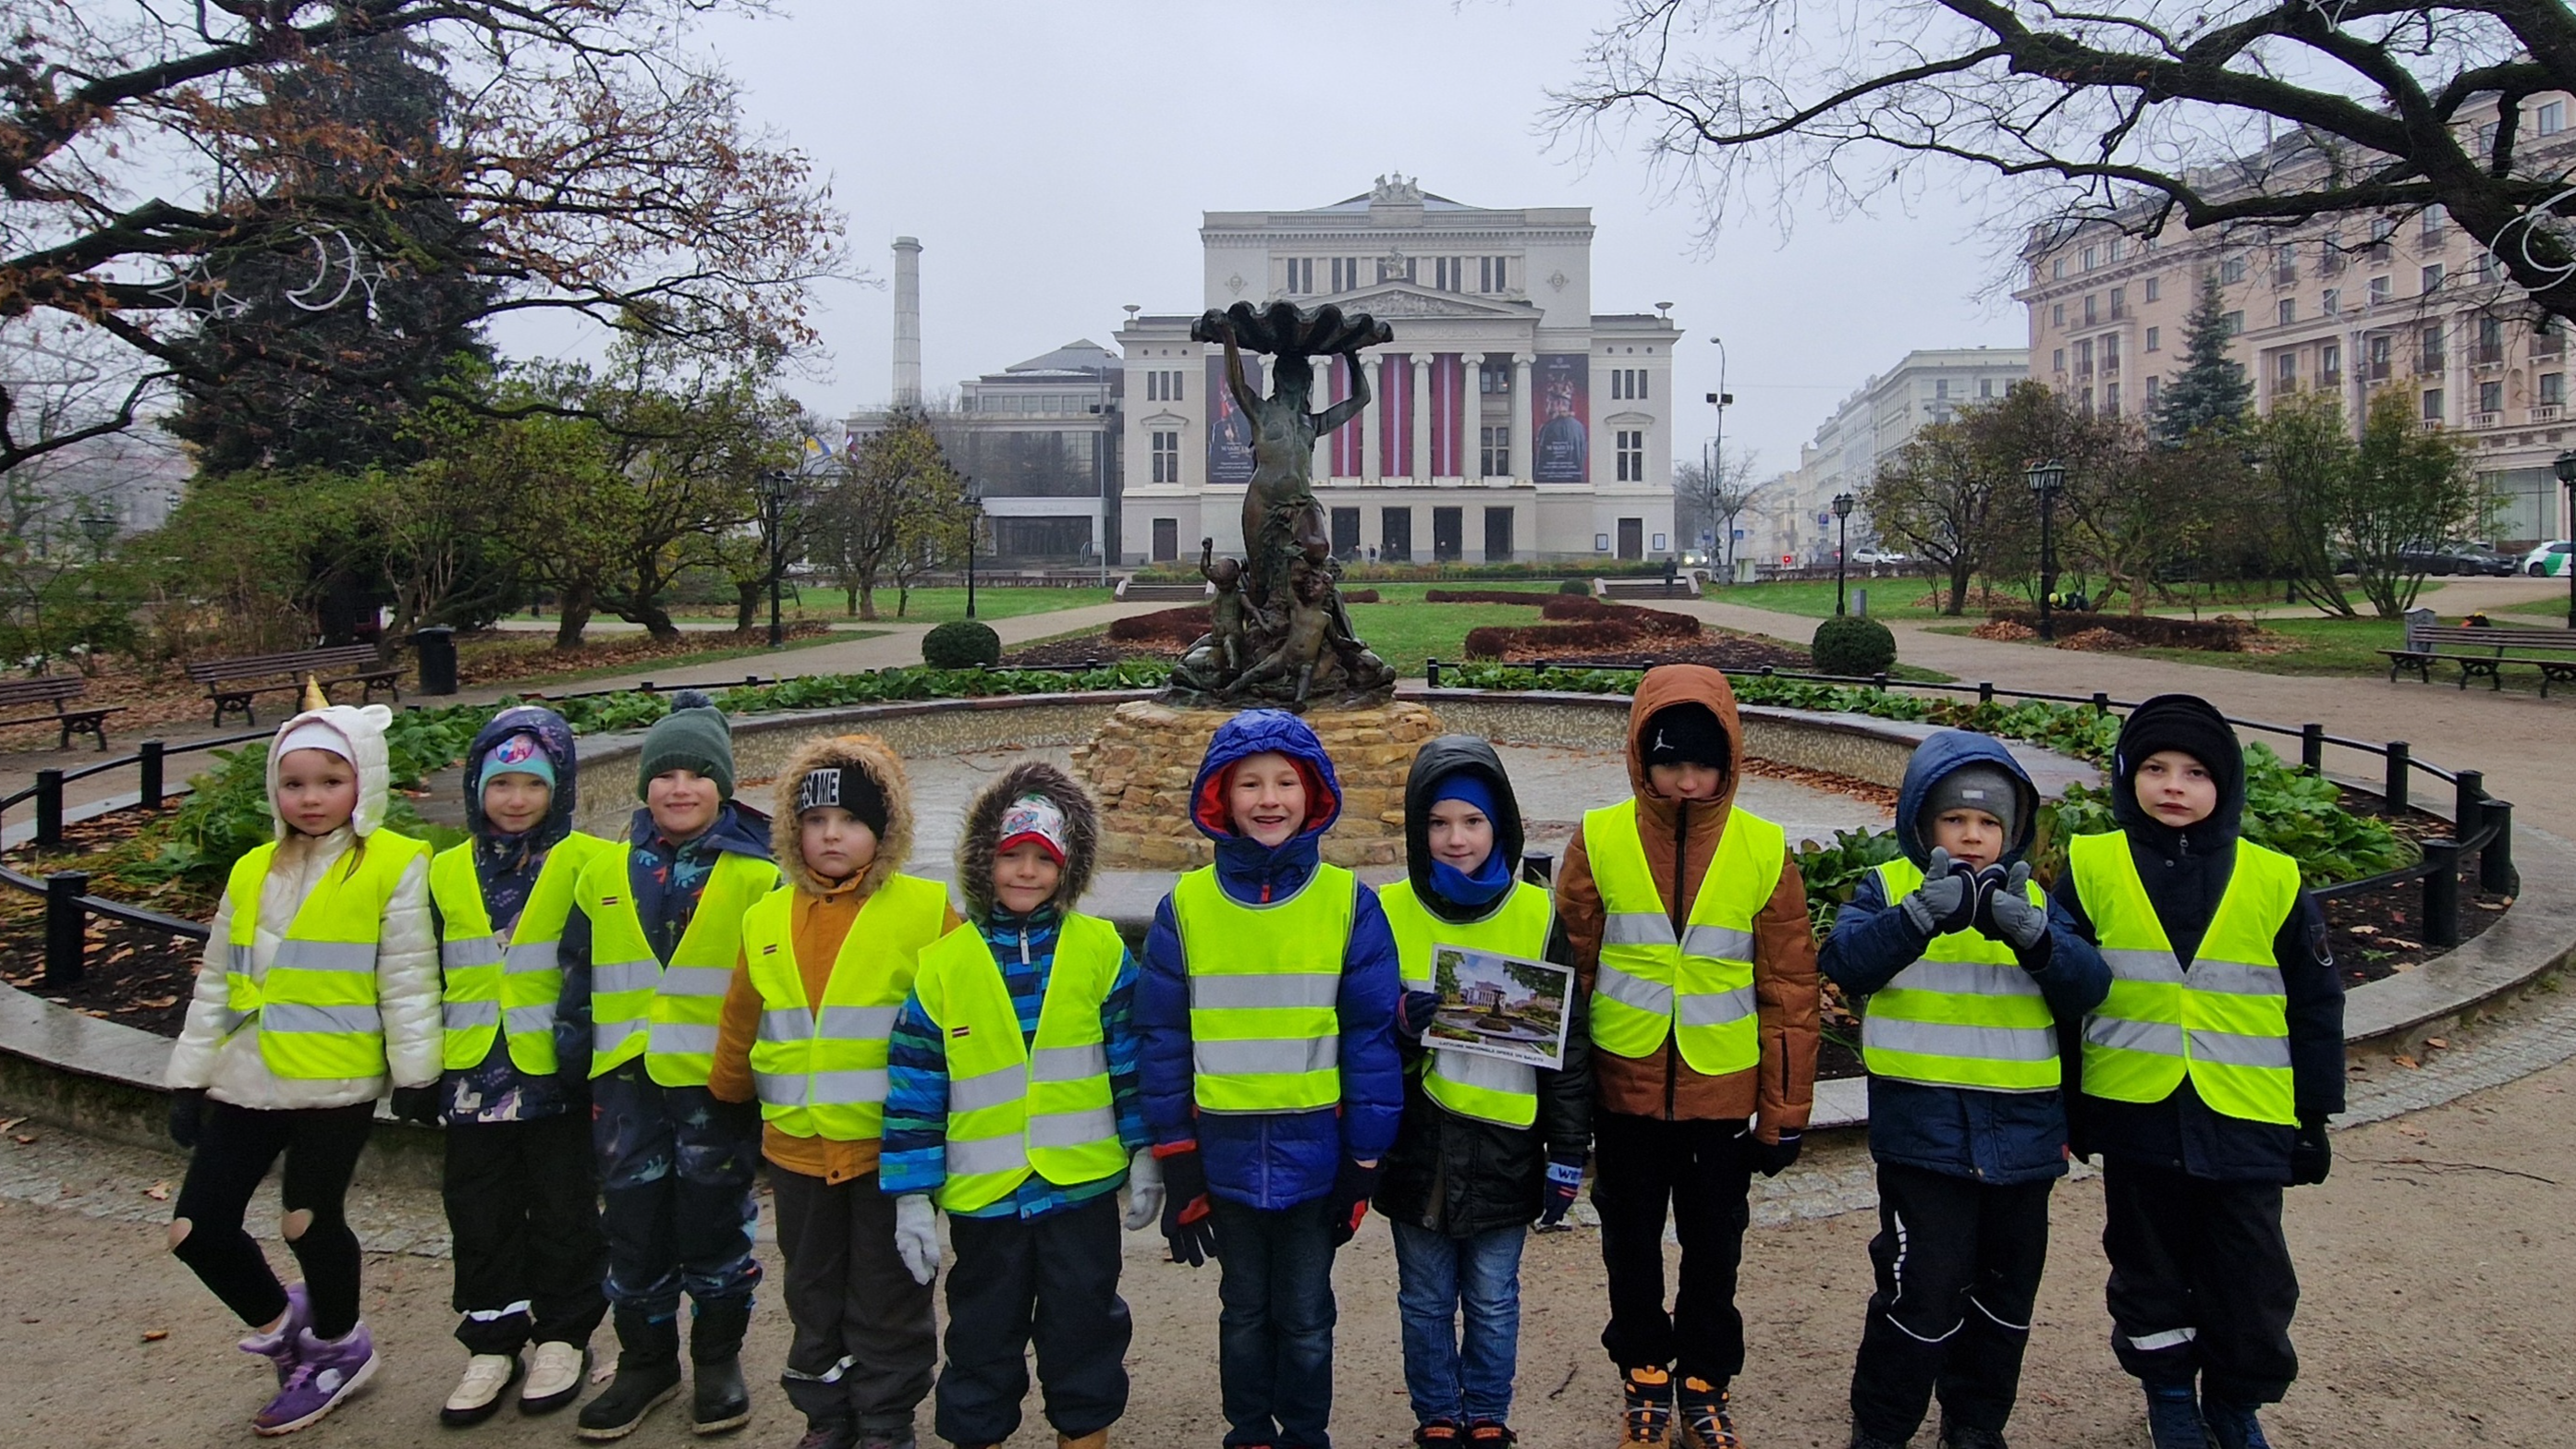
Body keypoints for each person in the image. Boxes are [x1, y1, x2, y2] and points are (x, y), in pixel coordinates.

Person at [2054, 696, 2343, 1449]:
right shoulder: (2092, 865)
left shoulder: (2273, 877)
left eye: (2193, 772)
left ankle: (2235, 1401)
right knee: (2147, 1267)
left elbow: (2314, 1003)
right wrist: (2067, 1110)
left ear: (2225, 786)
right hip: (2135, 1111)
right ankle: (2169, 1394)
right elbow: (2060, 1001)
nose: (2172, 786)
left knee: (2251, 1276)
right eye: (2153, 768)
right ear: (2126, 777)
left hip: (2244, 1114)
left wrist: (2313, 1117)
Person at [1818, 731, 2110, 1449]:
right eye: (1955, 820)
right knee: (1919, 1289)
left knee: (2006, 1297)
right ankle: (1882, 1425)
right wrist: (1917, 918)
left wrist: (2037, 938)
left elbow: (2088, 988)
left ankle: (1975, 1423)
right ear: (1922, 823)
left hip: (2023, 1136)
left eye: (1988, 823)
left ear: (2011, 830)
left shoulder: (2036, 898)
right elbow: (1846, 962)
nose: (1973, 836)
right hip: (1923, 1136)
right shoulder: (1887, 887)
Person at [1555, 664, 1821, 1449]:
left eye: (1701, 764)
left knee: (1715, 1251)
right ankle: (1642, 1372)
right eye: (1669, 762)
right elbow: (1571, 967)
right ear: (1642, 759)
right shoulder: (1597, 835)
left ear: (1727, 762)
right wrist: (1562, 1101)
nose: (1684, 779)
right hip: (1623, 1089)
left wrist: (1784, 1111)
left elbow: (1788, 988)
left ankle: (1705, 1379)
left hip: (1718, 1095)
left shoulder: (1763, 847)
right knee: (1628, 1246)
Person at [164, 698, 439, 1435]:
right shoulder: (255, 867)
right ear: (274, 790)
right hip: (248, 1076)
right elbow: (218, 980)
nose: (311, 798)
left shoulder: (394, 865)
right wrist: (187, 1078)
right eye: (295, 783)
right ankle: (289, 1332)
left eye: (329, 781)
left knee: (307, 1220)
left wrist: (418, 1073)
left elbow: (407, 977)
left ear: (363, 783)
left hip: (335, 1077)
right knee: (196, 1229)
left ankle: (341, 1347)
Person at [1136, 709, 1404, 1449]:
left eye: (1286, 782)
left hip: (1316, 1156)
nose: (1268, 799)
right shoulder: (1184, 907)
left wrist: (1365, 1160)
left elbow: (1370, 1040)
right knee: (1244, 1311)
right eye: (1248, 783)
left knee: (1309, 1313)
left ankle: (1306, 1433)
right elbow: (1162, 1039)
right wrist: (1175, 1158)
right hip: (1220, 1157)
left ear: (1313, 794)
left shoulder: (1349, 903)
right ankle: (1249, 1431)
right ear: (1219, 797)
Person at [882, 762, 1157, 1449]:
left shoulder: (1100, 950)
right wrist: (912, 1193)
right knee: (980, 1341)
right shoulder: (945, 963)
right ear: (986, 864)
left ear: (1068, 868)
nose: (1027, 872)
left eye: (1044, 859)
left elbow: (1128, 1060)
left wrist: (1145, 1150)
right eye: (1012, 858)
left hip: (1078, 1189)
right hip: (986, 1199)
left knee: (1085, 1333)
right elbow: (917, 1083)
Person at [704, 733, 956, 1449]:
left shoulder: (925, 911)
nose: (832, 835)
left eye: (849, 820)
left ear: (884, 829)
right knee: (811, 1291)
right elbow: (741, 1017)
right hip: (797, 1151)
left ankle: (884, 1418)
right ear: (793, 831)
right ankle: (826, 1413)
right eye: (815, 822)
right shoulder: (766, 917)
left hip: (888, 1152)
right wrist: (724, 1094)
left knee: (889, 1292)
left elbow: (961, 1017)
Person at [574, 689, 783, 1441]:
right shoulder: (603, 869)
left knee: (714, 1223)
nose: (680, 787)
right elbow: (577, 970)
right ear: (644, 785)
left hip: (712, 1088)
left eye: (698, 772)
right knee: (630, 1223)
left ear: (723, 783)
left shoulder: (759, 876)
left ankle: (717, 1357)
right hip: (624, 1085)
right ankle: (645, 1360)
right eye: (664, 773)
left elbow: (774, 989)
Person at [1375, 737, 1593, 1448]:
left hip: (1506, 1146)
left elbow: (1567, 1047)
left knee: (1494, 1301)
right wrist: (1399, 1032)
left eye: (1471, 820)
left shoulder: (1536, 913)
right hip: (1416, 1145)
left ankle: (1487, 1413)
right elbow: (1357, 1035)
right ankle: (1438, 1413)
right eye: (1437, 823)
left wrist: (1567, 1151)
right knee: (1424, 1299)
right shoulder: (1386, 910)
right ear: (1417, 829)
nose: (1455, 838)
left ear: (1499, 823)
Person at [401, 707, 613, 1426]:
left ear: (559, 787)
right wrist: (416, 1068)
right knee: (479, 1212)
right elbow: (420, 972)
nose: (516, 798)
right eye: (501, 783)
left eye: (532, 782)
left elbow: (605, 967)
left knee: (563, 1208)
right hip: (471, 1075)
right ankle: (491, 1336)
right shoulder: (445, 869)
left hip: (555, 1077)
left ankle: (564, 1332)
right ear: (475, 788)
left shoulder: (587, 860)